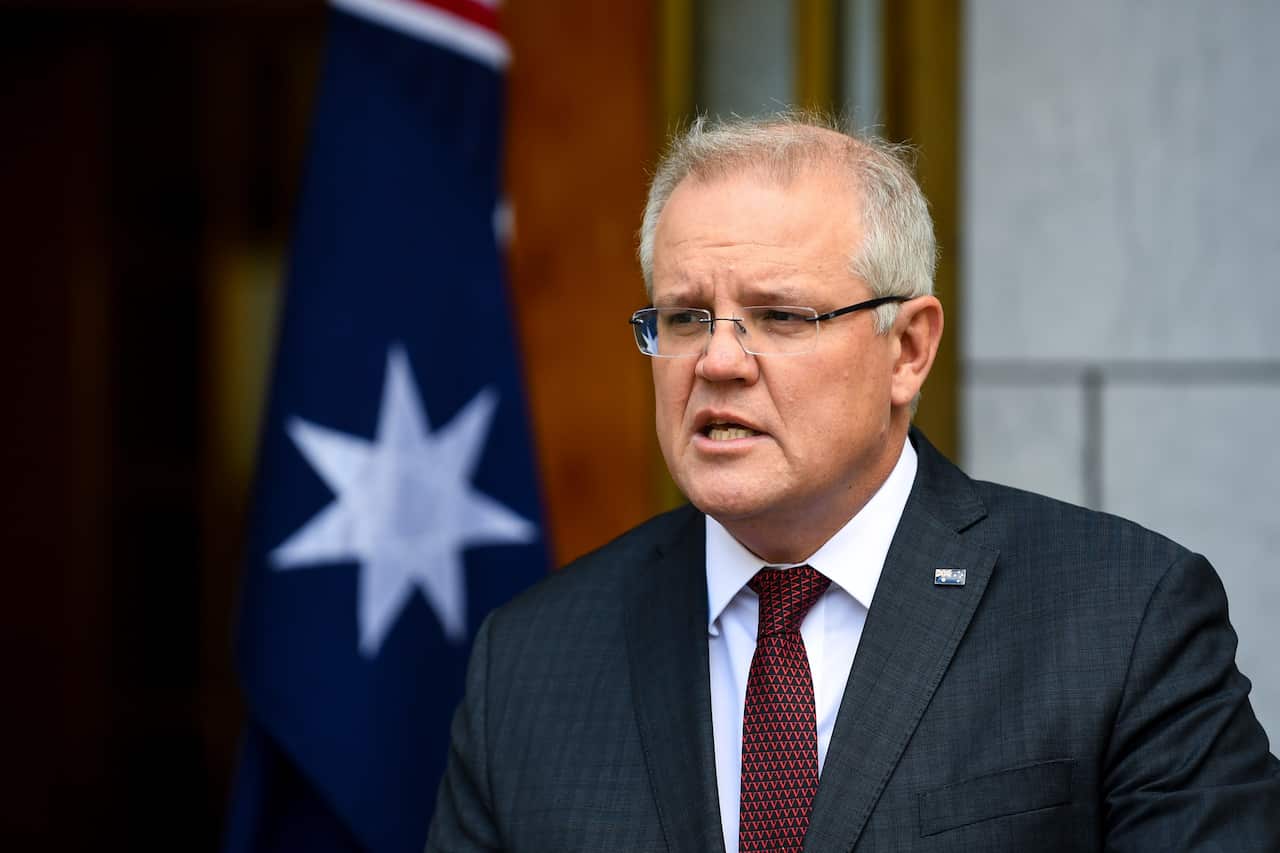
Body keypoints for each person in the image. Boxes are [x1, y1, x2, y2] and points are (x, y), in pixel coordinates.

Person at [426, 114, 1280, 852]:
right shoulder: (531, 662)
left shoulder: (1122, 617)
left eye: (780, 316)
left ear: (907, 348)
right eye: (686, 316)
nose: (719, 360)